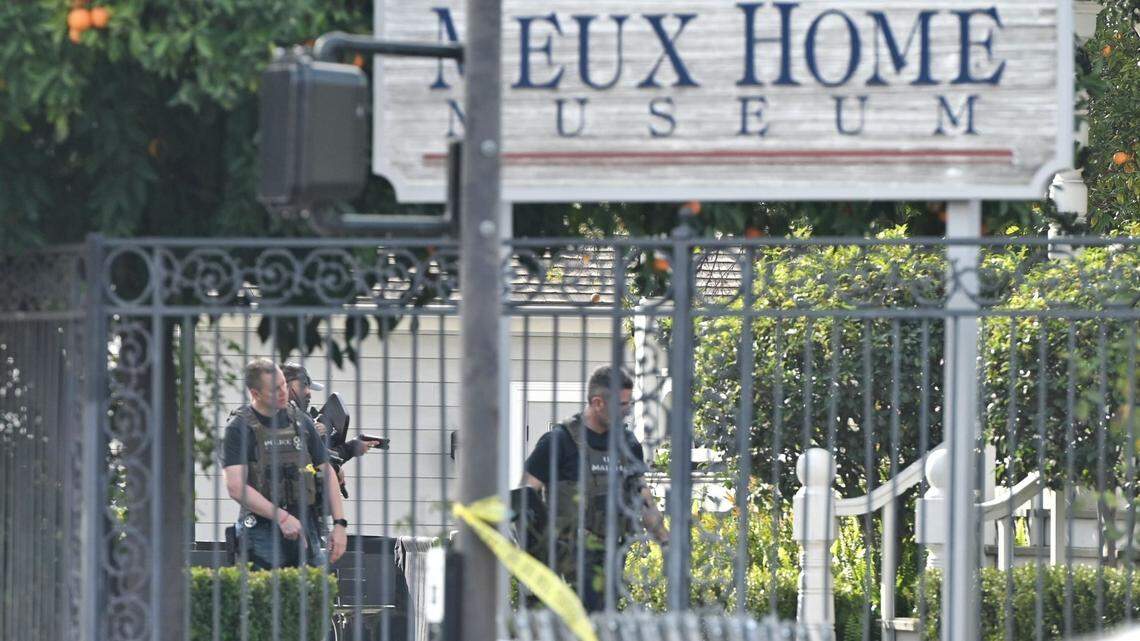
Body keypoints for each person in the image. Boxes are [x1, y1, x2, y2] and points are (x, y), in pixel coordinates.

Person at [520, 366, 669, 612]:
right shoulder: (559, 441)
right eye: (621, 405)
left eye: (628, 404)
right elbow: (525, 496)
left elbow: (642, 498)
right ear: (598, 403)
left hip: (608, 560)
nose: (627, 411)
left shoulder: (627, 444)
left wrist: (666, 542)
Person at [223, 358, 348, 569]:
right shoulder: (239, 428)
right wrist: (282, 518)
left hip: (307, 526)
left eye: (284, 385)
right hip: (261, 531)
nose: (283, 392)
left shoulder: (301, 421)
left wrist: (339, 524)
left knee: (312, 596)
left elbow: (327, 472)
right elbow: (235, 487)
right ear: (256, 393)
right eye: (275, 389)